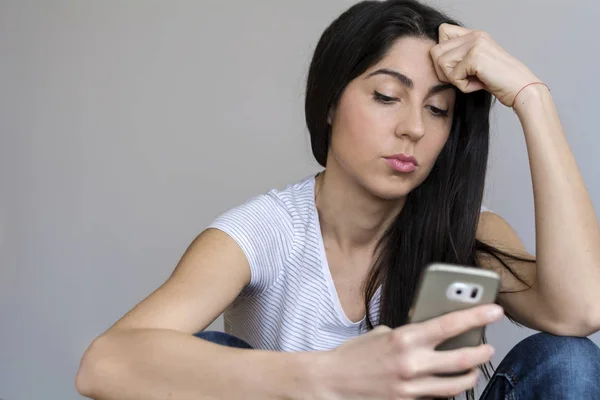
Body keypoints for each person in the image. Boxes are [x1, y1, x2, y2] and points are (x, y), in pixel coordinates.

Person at [75, 0, 600, 399]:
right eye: (386, 97)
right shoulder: (264, 232)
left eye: (438, 110)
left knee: (569, 361)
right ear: (329, 103)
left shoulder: (464, 229)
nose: (413, 128)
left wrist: (531, 98)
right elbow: (104, 364)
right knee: (203, 354)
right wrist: (330, 374)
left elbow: (580, 311)